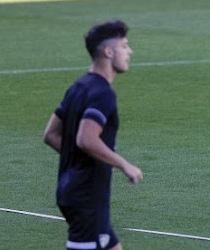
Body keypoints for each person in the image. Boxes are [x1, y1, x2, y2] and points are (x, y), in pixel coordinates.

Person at [43, 20, 143, 250]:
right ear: (109, 52)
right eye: (124, 46)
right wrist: (124, 165)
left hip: (72, 189)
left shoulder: (78, 86)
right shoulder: (103, 94)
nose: (130, 52)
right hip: (87, 196)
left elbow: (51, 134)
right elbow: (86, 139)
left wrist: (81, 159)